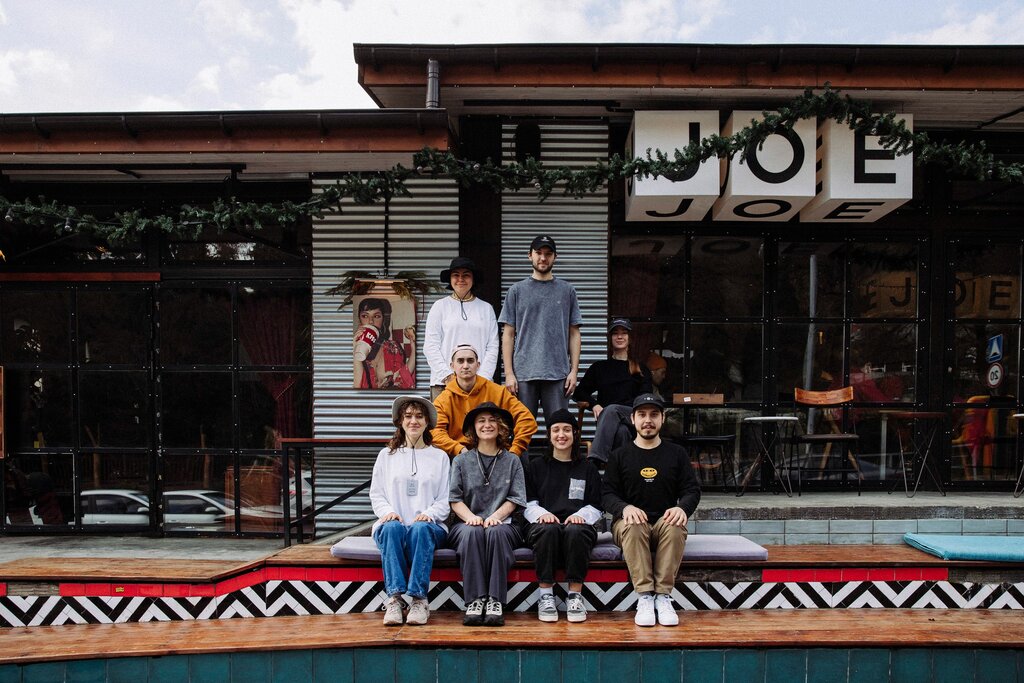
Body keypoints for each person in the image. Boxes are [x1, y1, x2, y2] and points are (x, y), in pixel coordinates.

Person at [602, 393, 701, 627]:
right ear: (633, 419)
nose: (648, 420)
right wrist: (624, 508)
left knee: (675, 526)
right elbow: (606, 494)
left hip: (663, 524)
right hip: (628, 526)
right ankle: (645, 596)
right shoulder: (619, 455)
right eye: (642, 415)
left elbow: (692, 490)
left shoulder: (676, 453)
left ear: (662, 419)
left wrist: (682, 509)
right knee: (634, 525)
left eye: (654, 414)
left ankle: (663, 596)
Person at [369, 395, 450, 626]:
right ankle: (394, 599)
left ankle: (419, 600)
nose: (413, 421)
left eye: (419, 416)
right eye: (408, 416)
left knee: (420, 529)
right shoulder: (386, 455)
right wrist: (387, 512)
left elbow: (445, 499)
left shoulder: (440, 457)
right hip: (393, 524)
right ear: (400, 421)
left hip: (429, 527)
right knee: (391, 528)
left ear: (427, 422)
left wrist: (430, 514)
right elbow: (377, 494)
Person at [448, 402, 527, 626]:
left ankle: (495, 600)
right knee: (472, 532)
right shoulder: (461, 461)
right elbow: (454, 499)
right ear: (473, 428)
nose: (487, 425)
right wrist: (471, 518)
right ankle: (475, 600)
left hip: (504, 524)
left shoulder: (512, 460)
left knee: (495, 532)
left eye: (492, 420)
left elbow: (516, 498)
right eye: (481, 421)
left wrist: (496, 517)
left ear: (501, 426)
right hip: (466, 522)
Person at [523, 408, 602, 623]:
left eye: (567, 430)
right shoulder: (536, 467)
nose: (561, 435)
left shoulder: (587, 468)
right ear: (549, 435)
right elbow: (528, 502)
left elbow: (596, 505)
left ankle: (575, 596)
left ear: (575, 434)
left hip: (578, 526)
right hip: (542, 526)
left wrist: (581, 516)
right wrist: (543, 514)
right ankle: (545, 595)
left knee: (576, 530)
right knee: (548, 529)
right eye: (556, 430)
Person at [498, 234, 583, 427]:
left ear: (555, 257)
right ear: (530, 255)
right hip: (523, 374)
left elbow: (574, 333)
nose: (543, 258)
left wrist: (573, 371)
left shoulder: (567, 290)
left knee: (559, 430)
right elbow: (508, 335)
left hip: (558, 374)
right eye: (538, 253)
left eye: (548, 254)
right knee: (522, 430)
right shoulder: (516, 291)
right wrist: (509, 373)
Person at [432, 344, 537, 457]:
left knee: (521, 461)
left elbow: (526, 420)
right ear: (452, 366)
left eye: (470, 361)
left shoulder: (498, 392)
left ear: (478, 365)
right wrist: (459, 449)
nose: (465, 366)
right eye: (460, 361)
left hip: (496, 454)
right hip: (459, 456)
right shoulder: (443, 400)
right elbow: (435, 431)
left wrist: (515, 451)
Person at [573, 318, 653, 465]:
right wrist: (594, 404)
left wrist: (625, 409)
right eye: (615, 333)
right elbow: (579, 392)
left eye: (624, 333)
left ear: (630, 338)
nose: (619, 336)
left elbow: (646, 398)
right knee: (621, 432)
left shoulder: (640, 368)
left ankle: (594, 460)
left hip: (634, 418)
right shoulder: (600, 367)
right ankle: (621, 472)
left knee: (612, 409)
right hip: (609, 424)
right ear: (610, 338)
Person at [424, 257, 500, 400]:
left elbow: (493, 346)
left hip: (479, 384)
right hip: (444, 384)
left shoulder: (486, 308)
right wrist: (447, 376)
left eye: (466, 275)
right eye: (456, 275)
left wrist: (482, 378)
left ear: (473, 279)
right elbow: (430, 346)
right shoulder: (439, 307)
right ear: (450, 279)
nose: (460, 279)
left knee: (481, 416)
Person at [353, 297, 416, 389]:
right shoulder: (350, 348)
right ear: (359, 319)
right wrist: (356, 350)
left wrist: (414, 348)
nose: (371, 321)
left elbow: (403, 378)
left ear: (383, 320)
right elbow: (357, 388)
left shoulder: (392, 347)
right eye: (365, 316)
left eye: (376, 316)